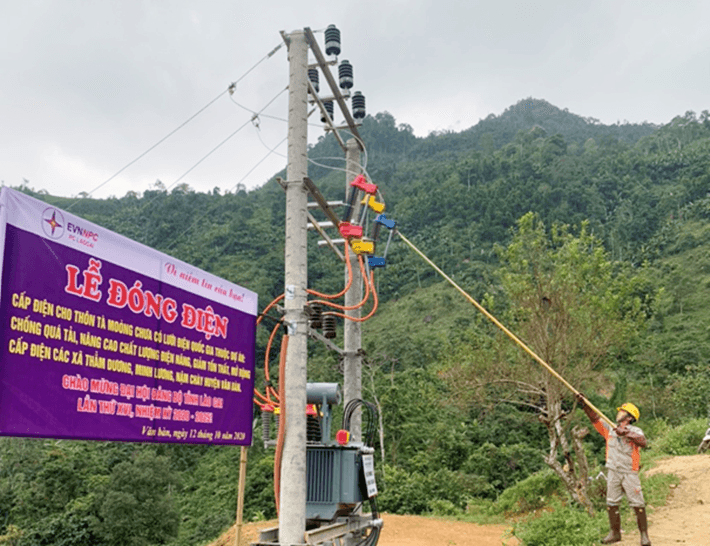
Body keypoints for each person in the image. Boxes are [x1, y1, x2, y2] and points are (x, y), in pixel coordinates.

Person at [576, 394, 651, 546]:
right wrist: (584, 404)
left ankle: (644, 536)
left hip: (629, 471)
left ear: (629, 417)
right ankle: (615, 533)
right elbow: (594, 419)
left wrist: (626, 433)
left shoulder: (636, 430)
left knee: (637, 503)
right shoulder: (609, 429)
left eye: (621, 411)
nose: (618, 413)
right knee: (612, 503)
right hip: (613, 471)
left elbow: (644, 442)